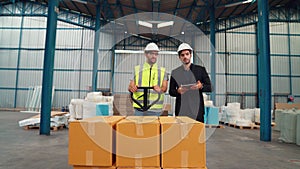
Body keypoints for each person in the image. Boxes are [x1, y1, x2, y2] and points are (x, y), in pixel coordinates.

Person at [169, 43, 212, 122]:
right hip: (182, 110)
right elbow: (171, 91)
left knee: (197, 133)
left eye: (187, 54)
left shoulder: (200, 70)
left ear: (190, 55)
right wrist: (178, 91)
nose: (185, 57)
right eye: (182, 55)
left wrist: (201, 86)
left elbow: (210, 87)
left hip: (197, 110)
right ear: (179, 57)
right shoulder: (175, 72)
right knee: (182, 133)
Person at [128, 42, 168, 116]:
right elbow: (130, 87)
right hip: (139, 107)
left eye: (156, 54)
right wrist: (132, 88)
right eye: (151, 54)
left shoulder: (163, 71)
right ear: (146, 54)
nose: (154, 56)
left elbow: (165, 88)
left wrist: (160, 89)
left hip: (155, 108)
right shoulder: (137, 69)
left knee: (153, 128)